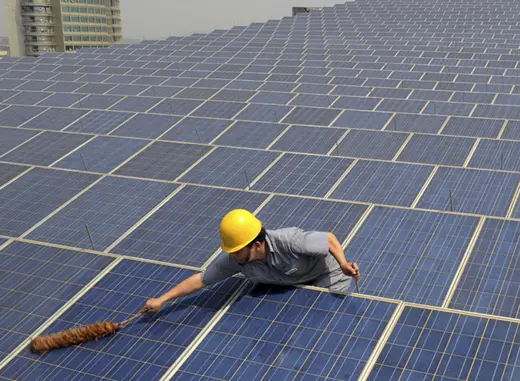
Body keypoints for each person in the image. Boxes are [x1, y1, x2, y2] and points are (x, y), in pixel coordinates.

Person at [144, 209, 360, 312]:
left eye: (237, 249)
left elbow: (329, 239)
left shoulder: (292, 242)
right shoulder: (236, 261)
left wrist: (343, 264)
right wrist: (162, 299)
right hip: (290, 285)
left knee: (333, 316)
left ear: (256, 245)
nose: (233, 254)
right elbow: (200, 280)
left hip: (324, 275)